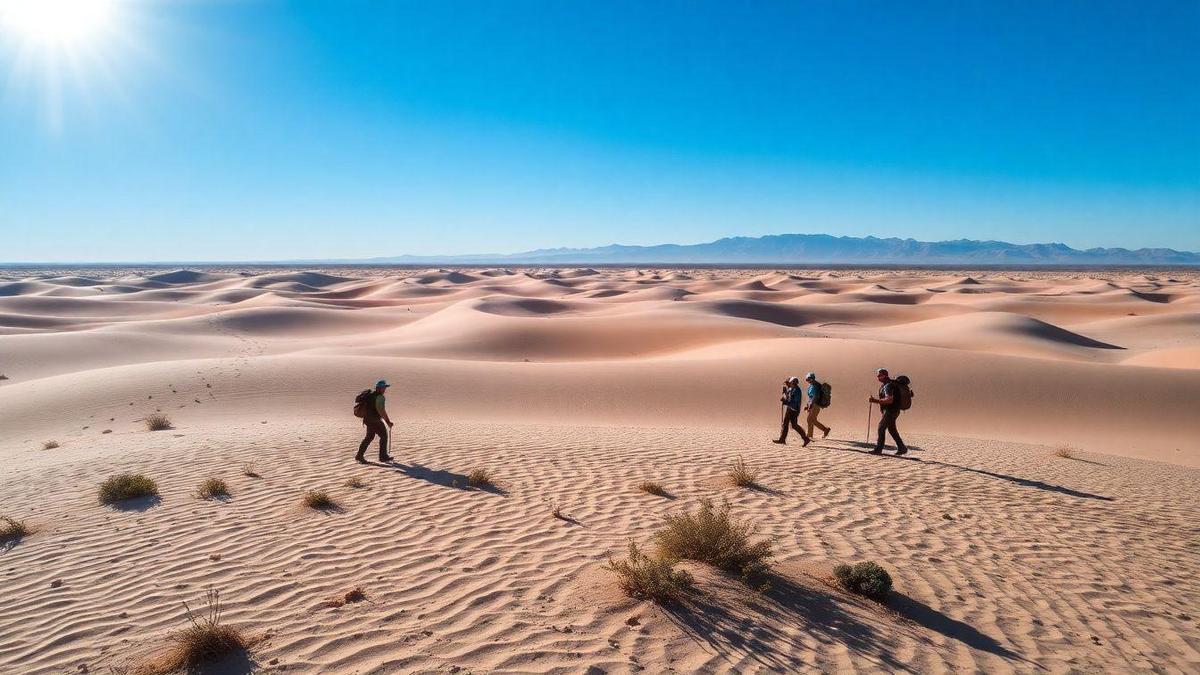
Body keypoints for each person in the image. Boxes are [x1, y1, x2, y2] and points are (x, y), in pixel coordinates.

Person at [868, 368, 908, 455]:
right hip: (894, 411)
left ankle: (878, 449)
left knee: (881, 427)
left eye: (879, 375)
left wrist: (874, 400)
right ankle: (902, 448)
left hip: (890, 410)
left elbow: (889, 400)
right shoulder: (890, 384)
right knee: (892, 430)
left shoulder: (888, 386)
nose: (878, 377)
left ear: (884, 375)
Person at [356, 379, 394, 463]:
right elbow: (381, 410)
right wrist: (388, 422)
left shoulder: (371, 395)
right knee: (384, 436)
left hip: (367, 420)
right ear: (379, 388)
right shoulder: (380, 397)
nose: (384, 389)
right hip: (374, 420)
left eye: (385, 387)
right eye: (383, 388)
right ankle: (383, 457)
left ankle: (359, 456)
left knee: (369, 437)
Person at [773, 376, 811, 446]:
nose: (788, 384)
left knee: (794, 425)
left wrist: (786, 402)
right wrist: (785, 393)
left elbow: (795, 402)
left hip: (794, 410)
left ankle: (806, 439)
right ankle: (782, 439)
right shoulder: (791, 389)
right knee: (785, 424)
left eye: (789, 383)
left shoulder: (797, 390)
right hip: (790, 408)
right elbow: (789, 398)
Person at [803, 372, 831, 439]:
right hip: (811, 404)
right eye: (807, 379)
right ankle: (824, 430)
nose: (808, 381)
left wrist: (811, 404)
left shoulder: (816, 385)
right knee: (812, 420)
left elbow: (816, 396)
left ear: (812, 378)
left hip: (815, 405)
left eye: (809, 379)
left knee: (810, 419)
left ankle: (810, 435)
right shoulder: (811, 385)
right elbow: (810, 396)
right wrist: (808, 405)